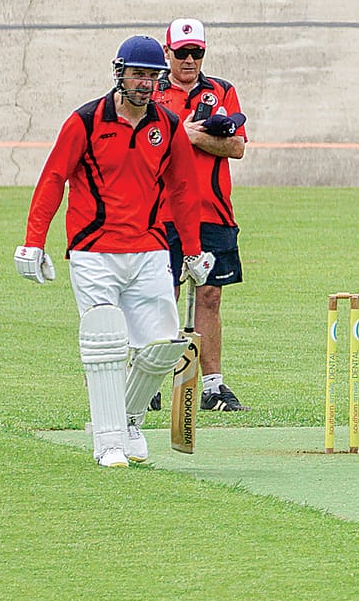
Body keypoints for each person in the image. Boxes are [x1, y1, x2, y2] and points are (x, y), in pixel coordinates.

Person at [15, 36, 213, 467]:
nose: (144, 83)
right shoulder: (85, 121)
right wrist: (34, 241)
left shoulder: (169, 126)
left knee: (161, 346)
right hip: (93, 251)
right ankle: (108, 442)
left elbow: (182, 189)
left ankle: (127, 421)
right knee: (105, 342)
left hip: (150, 249)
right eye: (137, 74)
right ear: (119, 73)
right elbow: (53, 179)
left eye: (151, 76)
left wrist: (194, 252)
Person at [153, 17, 250, 413]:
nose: (189, 60)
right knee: (162, 296)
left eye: (197, 53)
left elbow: (238, 148)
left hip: (213, 210)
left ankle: (213, 386)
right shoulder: (152, 92)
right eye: (182, 53)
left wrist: (193, 135)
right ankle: (150, 381)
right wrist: (187, 134)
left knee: (209, 296)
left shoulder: (222, 91)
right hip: (163, 213)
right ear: (167, 53)